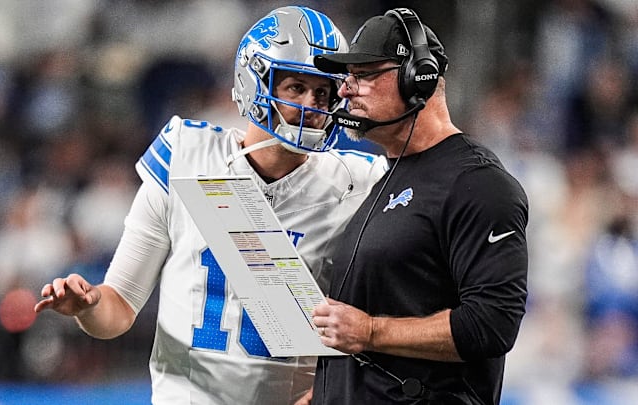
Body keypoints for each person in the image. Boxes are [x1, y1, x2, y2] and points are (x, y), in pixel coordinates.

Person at [34, 6, 387, 405]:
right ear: (255, 83)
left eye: (322, 92)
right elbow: (118, 310)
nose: (311, 104)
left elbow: (378, 326)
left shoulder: (356, 183)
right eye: (295, 88)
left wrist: (329, 390)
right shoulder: (186, 154)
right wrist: (89, 305)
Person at [303, 7, 530, 405]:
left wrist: (371, 330)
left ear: (417, 78)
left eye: (363, 75)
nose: (344, 90)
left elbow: (492, 324)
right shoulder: (385, 180)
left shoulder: (478, 184)